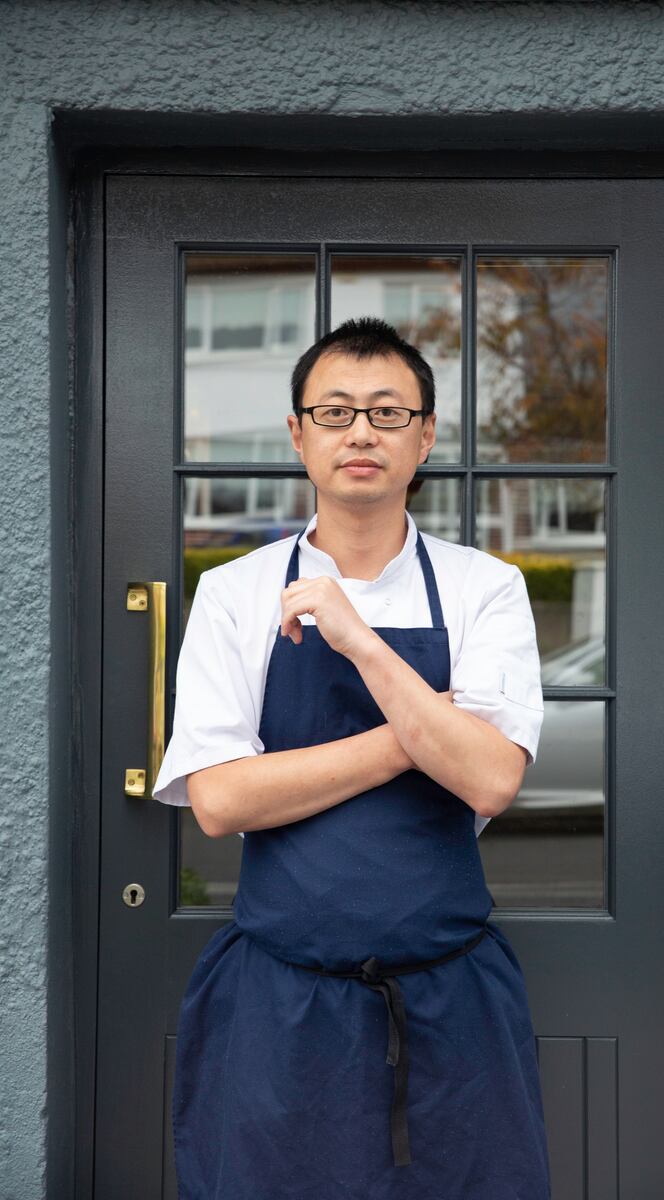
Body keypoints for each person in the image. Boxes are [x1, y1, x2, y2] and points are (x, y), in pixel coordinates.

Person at [153, 316, 552, 1198]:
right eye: (334, 413)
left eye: (386, 411)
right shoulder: (234, 592)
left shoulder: (488, 587)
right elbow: (219, 800)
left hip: (454, 1007)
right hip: (277, 1006)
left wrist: (359, 641)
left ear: (426, 436)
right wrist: (414, 734)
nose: (361, 432)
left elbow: (490, 775)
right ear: (298, 435)